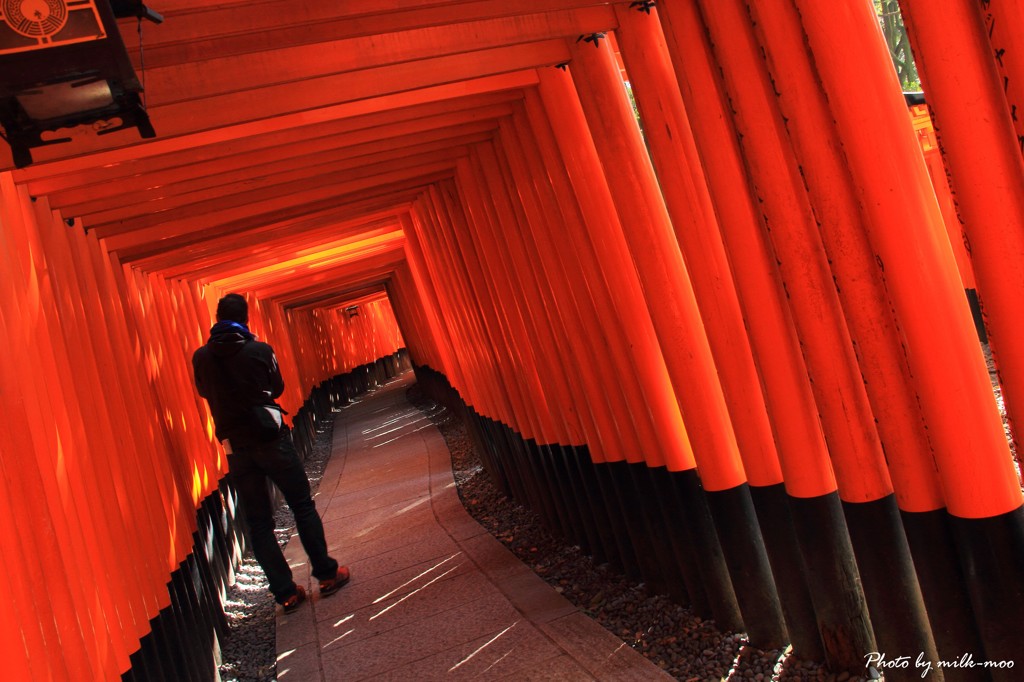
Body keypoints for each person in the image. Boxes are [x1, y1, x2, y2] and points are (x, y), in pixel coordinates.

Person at [192, 293, 349, 612]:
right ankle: (327, 575)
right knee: (301, 504)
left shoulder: (201, 357)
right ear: (245, 318)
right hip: (271, 439)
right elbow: (277, 389)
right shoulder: (258, 350)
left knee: (259, 522)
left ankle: (285, 593)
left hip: (236, 447)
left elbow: (205, 391)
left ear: (217, 319)